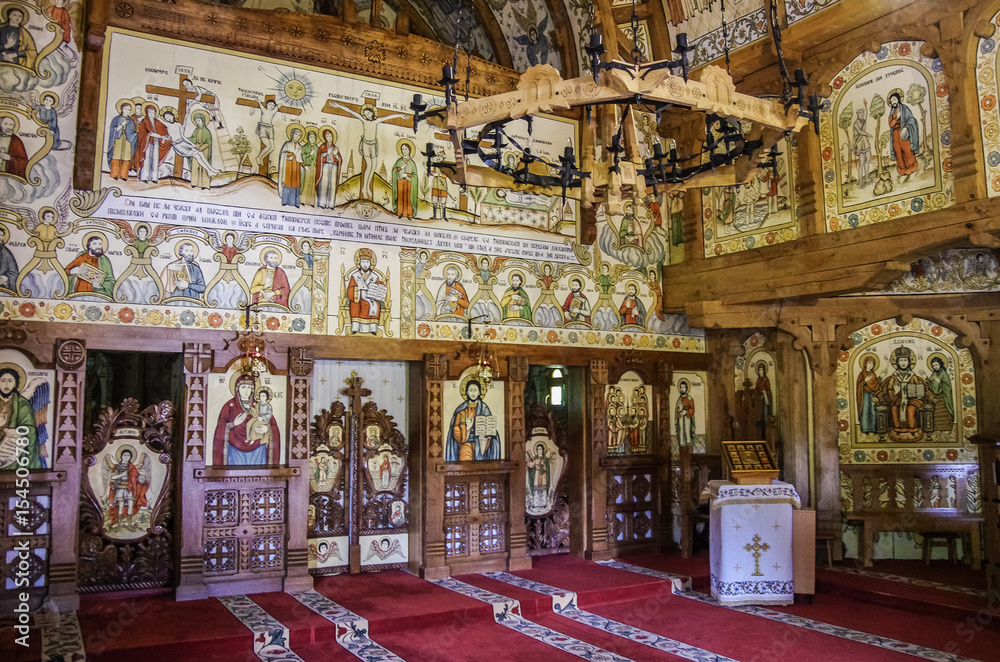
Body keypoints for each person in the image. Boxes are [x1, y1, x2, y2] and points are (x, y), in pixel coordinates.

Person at [325, 101, 408, 199]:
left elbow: (388, 117)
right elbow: (352, 112)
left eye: (368, 113)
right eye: (365, 114)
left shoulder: (376, 121)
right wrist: (338, 105)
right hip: (365, 145)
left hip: (373, 145)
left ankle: (367, 188)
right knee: (369, 165)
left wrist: (401, 115)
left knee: (374, 166)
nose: (367, 115)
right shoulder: (364, 121)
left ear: (372, 113)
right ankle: (364, 188)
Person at [213, 374, 280, 465]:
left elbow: (272, 423)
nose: (246, 391)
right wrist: (233, 424)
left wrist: (267, 429)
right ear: (237, 389)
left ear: (252, 389)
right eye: (243, 387)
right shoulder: (229, 406)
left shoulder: (259, 405)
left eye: (249, 387)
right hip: (235, 449)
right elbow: (220, 427)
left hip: (258, 448)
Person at [445, 379, 501, 461]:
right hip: (465, 442)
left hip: (481, 443)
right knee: (465, 460)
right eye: (471, 390)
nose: (473, 393)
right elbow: (455, 430)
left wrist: (488, 432)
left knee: (482, 463)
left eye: (475, 390)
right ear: (467, 392)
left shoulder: (484, 409)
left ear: (479, 392)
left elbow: (490, 426)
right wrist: (466, 427)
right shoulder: (461, 410)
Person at [0, 366, 42, 470]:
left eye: (10, 381)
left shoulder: (22, 403)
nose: (6, 384)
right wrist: (5, 430)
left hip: (11, 449)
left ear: (15, 384)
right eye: (2, 380)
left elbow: (30, 429)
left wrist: (17, 432)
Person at [880, 347, 927, 436]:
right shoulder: (894, 376)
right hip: (898, 399)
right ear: (897, 362)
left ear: (909, 362)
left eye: (905, 360)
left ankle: (911, 428)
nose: (903, 363)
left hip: (912, 399)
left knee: (910, 409)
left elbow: (918, 388)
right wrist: (895, 391)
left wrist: (915, 393)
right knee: (894, 409)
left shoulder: (912, 375)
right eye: (901, 360)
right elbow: (890, 388)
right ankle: (898, 428)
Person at [104, 446, 149, 529]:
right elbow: (112, 478)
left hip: (130, 490)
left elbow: (136, 478)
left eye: (128, 455)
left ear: (130, 457)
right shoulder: (118, 467)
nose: (126, 457)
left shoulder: (132, 467)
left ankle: (129, 525)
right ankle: (119, 525)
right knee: (121, 506)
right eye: (125, 455)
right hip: (120, 488)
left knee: (130, 506)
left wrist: (141, 479)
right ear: (121, 456)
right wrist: (122, 474)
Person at [346, 248, 387, 335]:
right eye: (363, 262)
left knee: (376, 304)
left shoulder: (374, 276)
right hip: (359, 297)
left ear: (370, 263)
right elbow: (350, 289)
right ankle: (355, 328)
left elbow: (378, 286)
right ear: (359, 262)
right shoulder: (355, 276)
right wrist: (358, 292)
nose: (365, 264)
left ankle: (372, 328)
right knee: (355, 304)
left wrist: (380, 286)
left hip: (371, 297)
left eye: (367, 262)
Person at [888, 90, 919, 181]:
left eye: (894, 99)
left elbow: (912, 120)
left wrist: (905, 128)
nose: (893, 102)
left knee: (907, 151)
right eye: (891, 101)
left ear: (898, 99)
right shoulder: (892, 112)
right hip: (895, 135)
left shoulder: (905, 109)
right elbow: (891, 124)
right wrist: (896, 117)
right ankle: (903, 172)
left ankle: (912, 170)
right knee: (898, 153)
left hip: (904, 134)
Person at [136, 104, 170, 183]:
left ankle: (154, 178)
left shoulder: (157, 122)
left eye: (153, 113)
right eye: (150, 112)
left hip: (156, 142)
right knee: (147, 159)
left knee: (155, 159)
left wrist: (165, 136)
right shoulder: (144, 121)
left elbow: (164, 130)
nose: (152, 114)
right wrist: (157, 135)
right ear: (146, 113)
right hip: (147, 142)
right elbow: (143, 132)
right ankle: (144, 177)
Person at [107, 100, 137, 180]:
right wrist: (122, 125)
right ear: (122, 109)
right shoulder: (116, 119)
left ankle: (123, 175)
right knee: (117, 156)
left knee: (126, 157)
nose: (128, 111)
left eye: (129, 110)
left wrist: (135, 134)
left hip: (127, 140)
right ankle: (114, 174)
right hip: (118, 139)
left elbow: (133, 131)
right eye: (126, 109)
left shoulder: (130, 120)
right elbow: (113, 129)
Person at [187, 110, 214, 189]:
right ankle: (195, 183)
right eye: (196, 121)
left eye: (199, 120)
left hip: (204, 150)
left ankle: (205, 185)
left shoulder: (207, 131)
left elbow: (208, 143)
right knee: (195, 166)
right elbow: (193, 139)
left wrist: (200, 148)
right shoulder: (196, 130)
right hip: (196, 149)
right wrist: (185, 139)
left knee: (203, 166)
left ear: (203, 120)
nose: (198, 122)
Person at [278, 126, 305, 206]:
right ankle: (285, 201)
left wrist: (304, 165)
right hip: (288, 168)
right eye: (296, 134)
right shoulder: (287, 144)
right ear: (292, 135)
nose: (297, 137)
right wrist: (292, 154)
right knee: (287, 184)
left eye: (299, 135)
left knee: (295, 184)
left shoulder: (299, 147)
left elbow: (300, 158)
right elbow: (283, 154)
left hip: (296, 168)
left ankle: (294, 202)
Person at [391, 142, 419, 219]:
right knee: (400, 197)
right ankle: (400, 213)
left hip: (409, 182)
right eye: (403, 149)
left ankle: (409, 214)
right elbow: (394, 170)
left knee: (408, 198)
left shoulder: (412, 163)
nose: (404, 151)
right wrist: (401, 168)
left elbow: (415, 175)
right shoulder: (399, 161)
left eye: (406, 149)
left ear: (409, 150)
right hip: (400, 182)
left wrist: (406, 175)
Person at [316, 128, 342, 209]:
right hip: (325, 166)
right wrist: (326, 153)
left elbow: (340, 159)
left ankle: (331, 204)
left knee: (332, 185)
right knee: (324, 185)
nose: (329, 138)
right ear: (325, 137)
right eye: (327, 136)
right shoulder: (322, 146)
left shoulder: (335, 147)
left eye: (330, 136)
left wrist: (336, 155)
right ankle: (322, 204)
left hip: (334, 166)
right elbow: (319, 157)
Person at [927, 356, 954, 433]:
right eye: (933, 366)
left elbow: (947, 386)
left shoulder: (943, 374)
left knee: (944, 413)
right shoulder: (934, 374)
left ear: (940, 364)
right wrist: (929, 380)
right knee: (937, 414)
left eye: (936, 365)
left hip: (944, 398)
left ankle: (947, 428)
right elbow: (932, 385)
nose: (935, 367)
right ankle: (938, 428)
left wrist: (940, 383)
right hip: (937, 397)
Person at [856, 354, 879, 434]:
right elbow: (859, 384)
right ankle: (865, 429)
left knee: (873, 411)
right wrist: (865, 381)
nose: (871, 365)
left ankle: (872, 428)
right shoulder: (862, 374)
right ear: (865, 364)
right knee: (865, 410)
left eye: (872, 363)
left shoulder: (873, 374)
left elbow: (876, 384)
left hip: (872, 394)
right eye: (869, 363)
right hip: (865, 394)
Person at [0, 114, 28, 178]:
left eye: (11, 125)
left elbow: (23, 161)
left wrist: (10, 158)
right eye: (6, 124)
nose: (9, 127)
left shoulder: (16, 141)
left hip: (8, 176)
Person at [853, 106, 873, 186]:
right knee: (862, 162)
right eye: (860, 112)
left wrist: (866, 108)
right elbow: (860, 132)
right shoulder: (855, 124)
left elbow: (863, 130)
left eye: (863, 112)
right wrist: (868, 134)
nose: (862, 114)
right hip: (860, 143)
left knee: (868, 159)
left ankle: (867, 177)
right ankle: (860, 180)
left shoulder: (864, 121)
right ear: (857, 114)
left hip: (865, 142)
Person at [300, 129, 319, 207]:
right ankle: (303, 200)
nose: (312, 139)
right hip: (307, 166)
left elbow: (319, 158)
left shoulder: (317, 148)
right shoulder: (304, 147)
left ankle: (311, 202)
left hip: (314, 167)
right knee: (305, 183)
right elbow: (302, 157)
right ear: (308, 138)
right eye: (310, 137)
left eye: (313, 137)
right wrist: (310, 154)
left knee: (312, 184)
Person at [754, 362, 773, 438]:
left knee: (765, 416)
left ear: (764, 370)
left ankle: (765, 435)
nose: (760, 371)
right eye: (759, 370)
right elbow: (756, 389)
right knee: (759, 416)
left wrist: (764, 393)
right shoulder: (758, 379)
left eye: (761, 370)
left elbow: (768, 390)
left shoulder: (766, 379)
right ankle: (760, 434)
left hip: (765, 400)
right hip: (759, 400)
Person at [675, 379, 696, 446]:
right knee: (681, 430)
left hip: (687, 416)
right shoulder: (678, 399)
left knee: (687, 430)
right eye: (681, 387)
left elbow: (692, 409)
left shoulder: (689, 398)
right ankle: (681, 444)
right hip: (681, 417)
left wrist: (686, 412)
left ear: (686, 388)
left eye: (684, 387)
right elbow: (677, 409)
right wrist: (679, 411)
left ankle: (689, 443)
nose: (682, 389)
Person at [0, 227, 19, 294]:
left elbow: (13, 272)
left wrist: (5, 277)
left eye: (1, 235)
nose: (0, 237)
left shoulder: (6, 253)